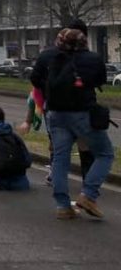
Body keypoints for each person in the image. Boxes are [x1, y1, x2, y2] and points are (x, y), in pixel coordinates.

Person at [39, 27, 115, 219]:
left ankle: (63, 206)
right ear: (84, 42)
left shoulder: (54, 58)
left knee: (60, 159)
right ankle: (88, 194)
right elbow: (100, 80)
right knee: (105, 153)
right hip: (81, 113)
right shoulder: (92, 59)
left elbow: (39, 79)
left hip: (55, 114)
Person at [29, 20, 95, 183]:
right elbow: (96, 79)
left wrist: (48, 90)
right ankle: (88, 182)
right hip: (82, 107)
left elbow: (35, 78)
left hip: (54, 107)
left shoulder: (48, 54)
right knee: (85, 146)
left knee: (58, 146)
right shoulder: (87, 57)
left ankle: (57, 180)